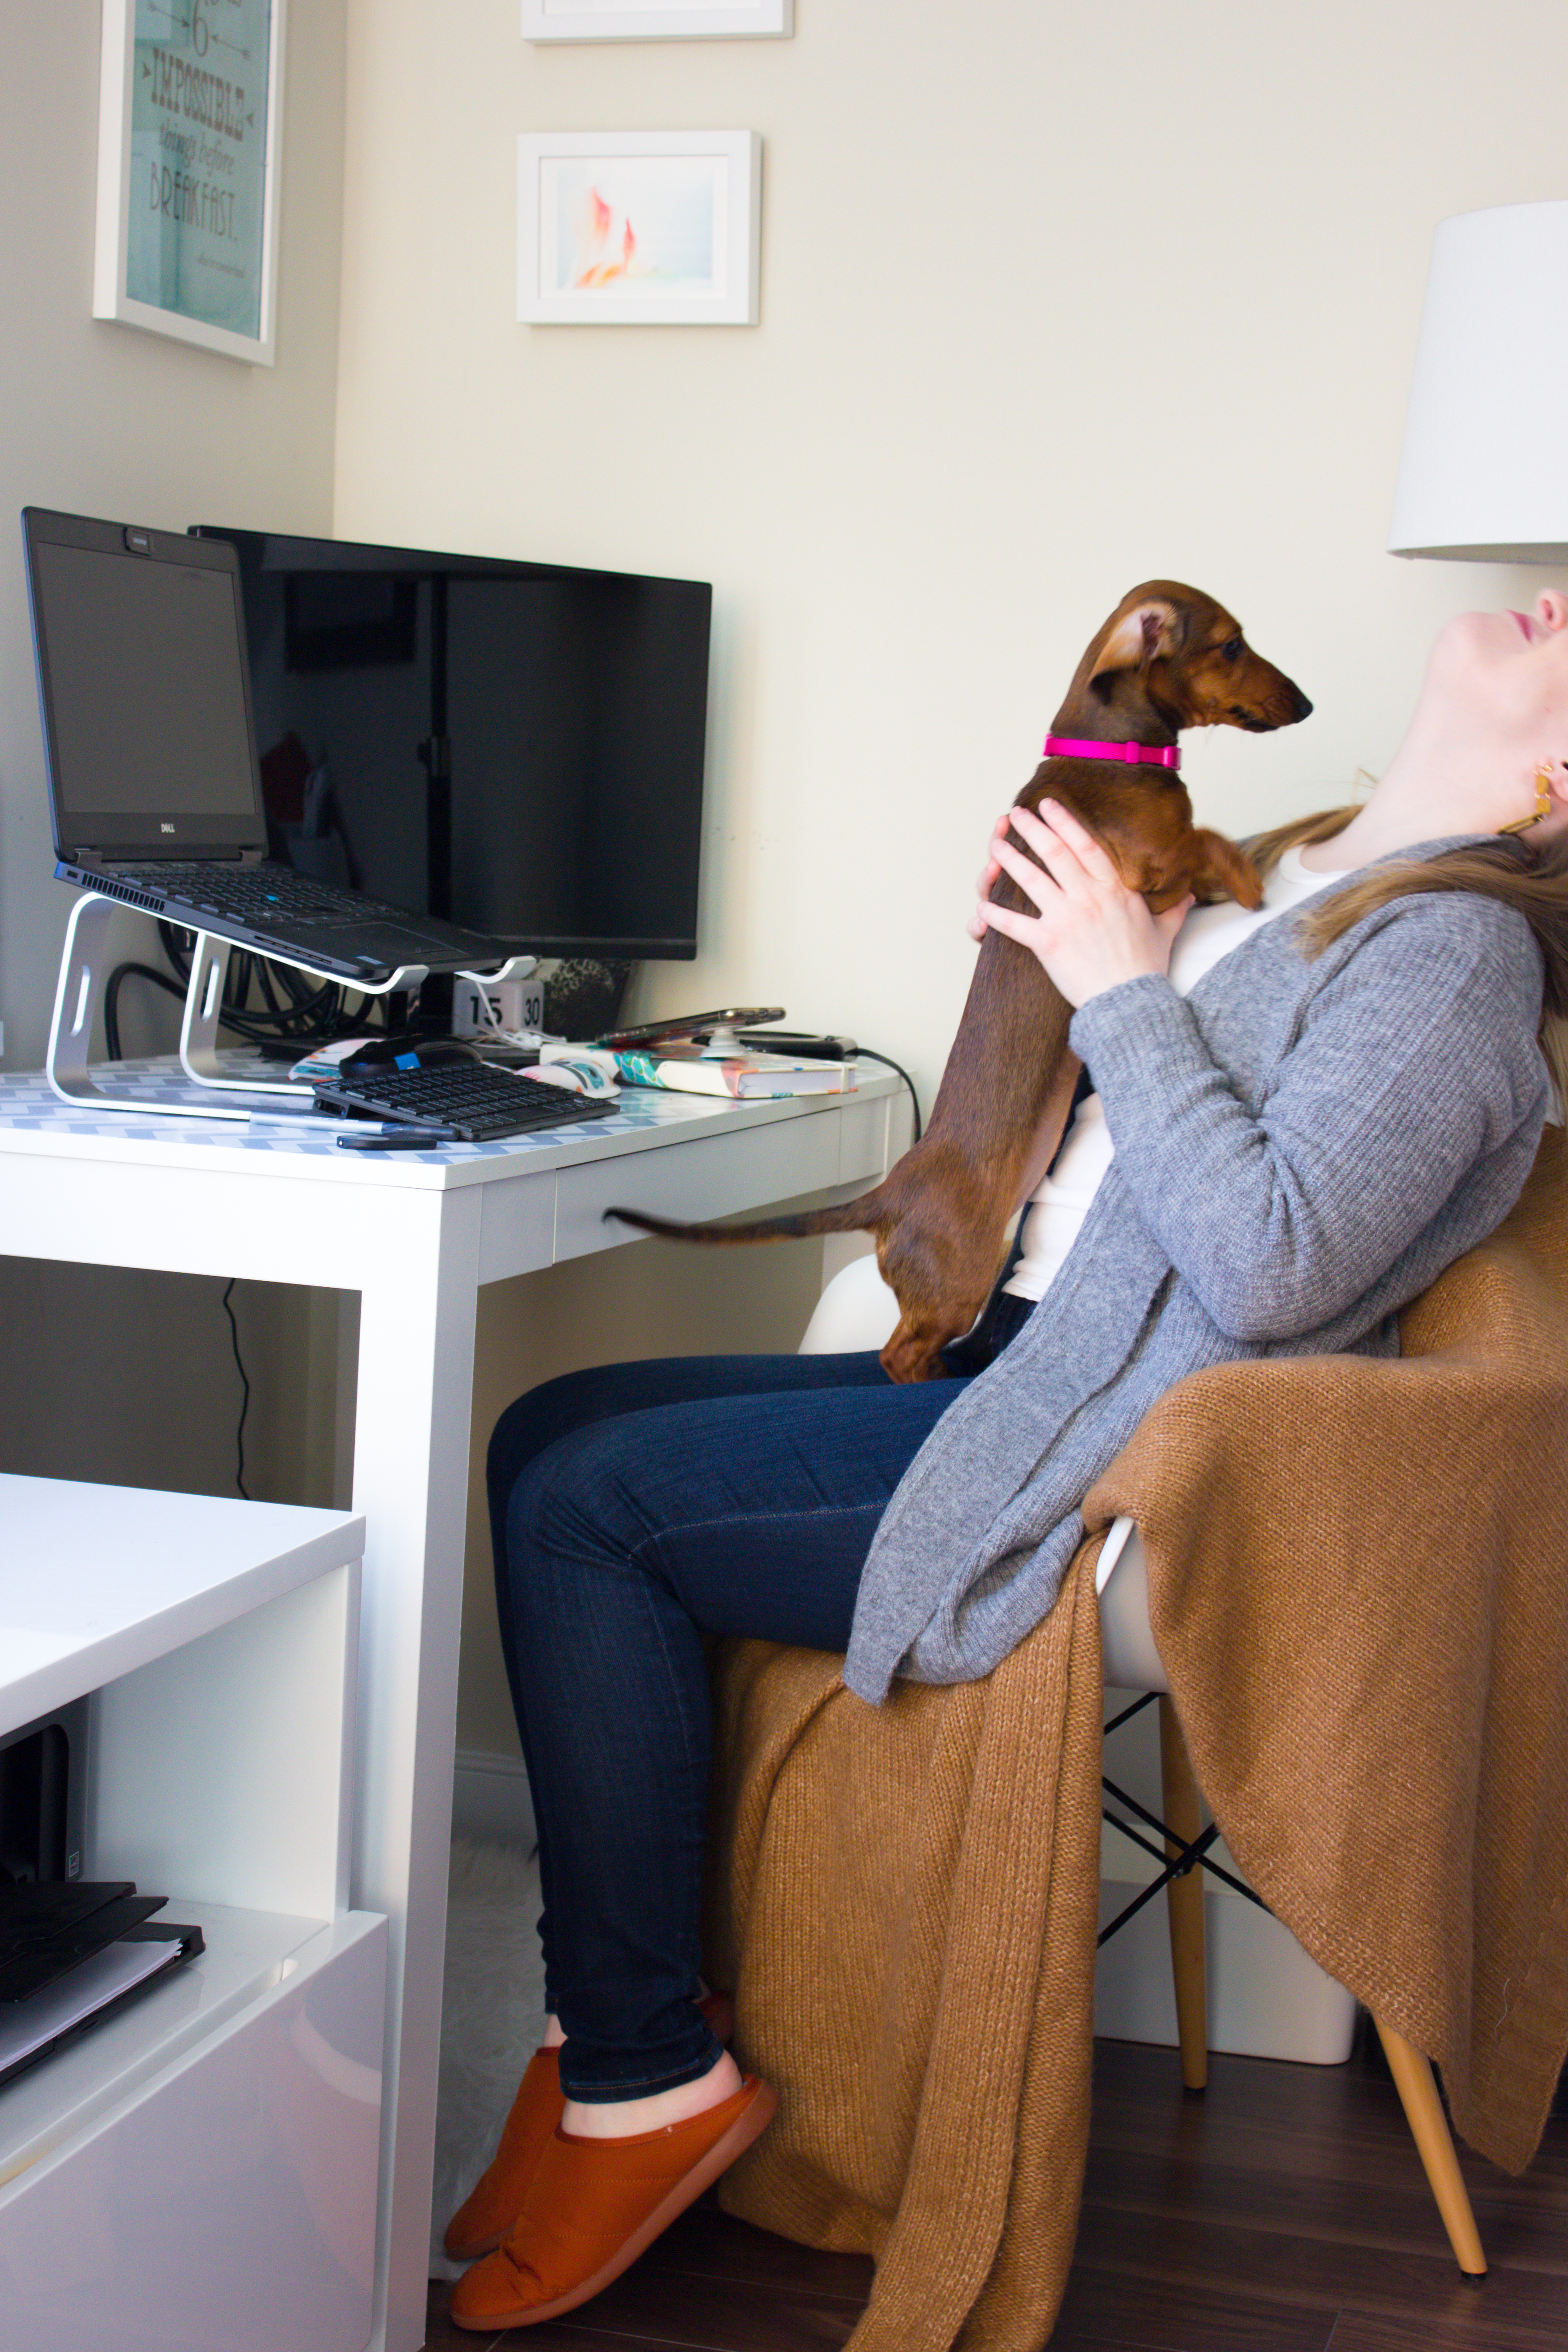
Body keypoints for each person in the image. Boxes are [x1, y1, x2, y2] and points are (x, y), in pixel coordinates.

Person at [445, 591, 1568, 2333]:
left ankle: (643, 2069)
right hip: (1016, 1347)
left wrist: (1123, 983)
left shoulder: (1454, 961)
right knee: (547, 1426)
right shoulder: (1300, 865)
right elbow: (1091, 1117)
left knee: (590, 1512)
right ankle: (604, 2020)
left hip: (1099, 1446)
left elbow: (1276, 1259)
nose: (1554, 592)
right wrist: (1056, 952)